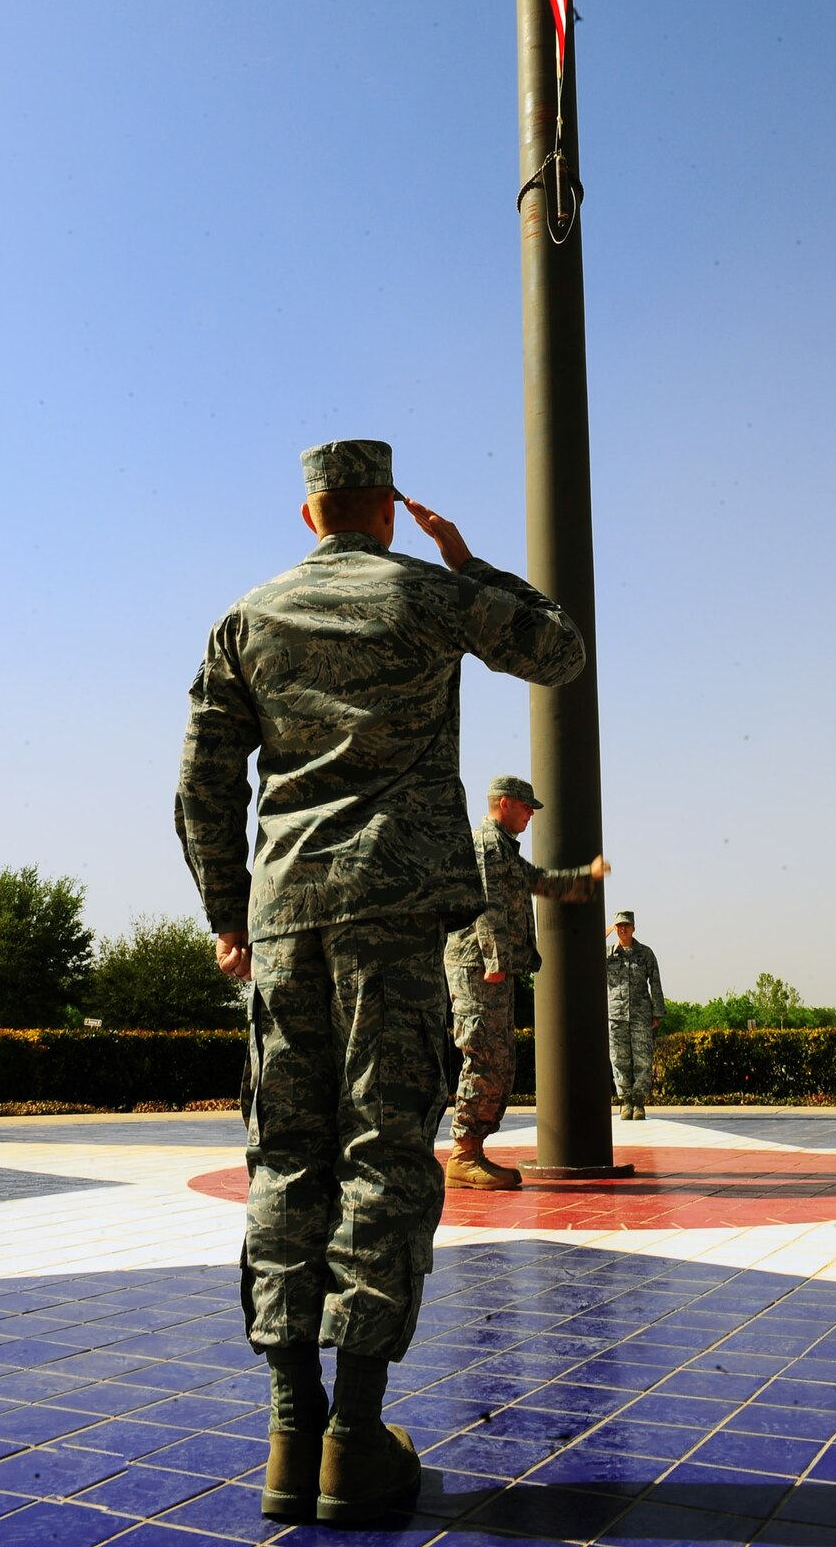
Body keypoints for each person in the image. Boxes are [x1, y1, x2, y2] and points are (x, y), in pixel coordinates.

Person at [175, 439, 585, 1527]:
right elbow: (558, 651)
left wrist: (228, 912)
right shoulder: (425, 592)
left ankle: (286, 1428)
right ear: (387, 514)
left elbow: (202, 782)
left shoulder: (246, 616)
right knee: (381, 1157)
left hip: (283, 921)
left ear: (310, 514)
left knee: (286, 1155)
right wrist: (471, 561)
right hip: (393, 919)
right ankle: (354, 1440)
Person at [444, 775, 608, 1190]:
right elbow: (486, 904)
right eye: (526, 807)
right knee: (483, 1057)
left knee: (499, 1061)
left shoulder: (503, 848)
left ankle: (472, 1149)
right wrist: (495, 960)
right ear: (504, 804)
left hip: (492, 970)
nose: (531, 815)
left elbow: (540, 881)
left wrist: (585, 877)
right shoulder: (485, 844)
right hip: (479, 968)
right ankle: (463, 1156)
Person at [606, 911, 665, 1119]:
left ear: (633, 928)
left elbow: (655, 983)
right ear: (614, 928)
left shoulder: (645, 954)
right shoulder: (607, 953)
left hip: (641, 1015)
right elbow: (584, 953)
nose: (623, 929)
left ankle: (639, 1103)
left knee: (642, 1059)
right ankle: (626, 1101)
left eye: (627, 925)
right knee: (619, 1059)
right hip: (616, 1016)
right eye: (619, 926)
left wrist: (657, 1011)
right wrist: (604, 934)